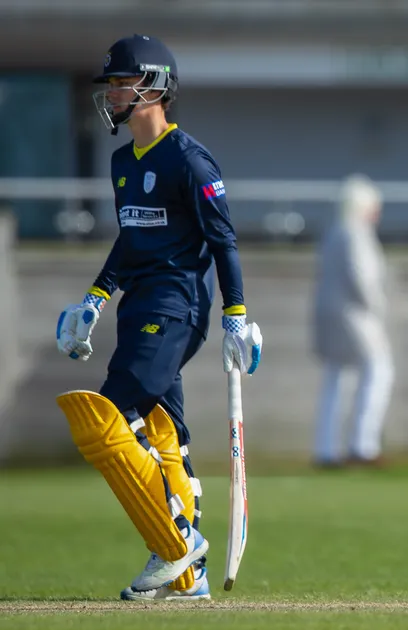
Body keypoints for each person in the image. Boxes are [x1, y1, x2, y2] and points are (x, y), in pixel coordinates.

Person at [54, 34, 263, 602]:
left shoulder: (190, 160)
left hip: (177, 307)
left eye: (123, 83)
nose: (114, 93)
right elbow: (131, 237)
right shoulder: (123, 161)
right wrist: (95, 298)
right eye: (113, 85)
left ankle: (177, 540)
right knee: (164, 433)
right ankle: (187, 575)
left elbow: (224, 242)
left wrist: (236, 316)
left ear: (154, 87)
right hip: (137, 307)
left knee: (110, 415)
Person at [311, 174, 395, 469]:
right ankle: (363, 444)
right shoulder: (356, 232)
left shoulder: (335, 231)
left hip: (331, 315)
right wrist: (379, 308)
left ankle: (326, 449)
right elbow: (362, 277)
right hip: (356, 317)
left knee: (336, 379)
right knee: (379, 370)